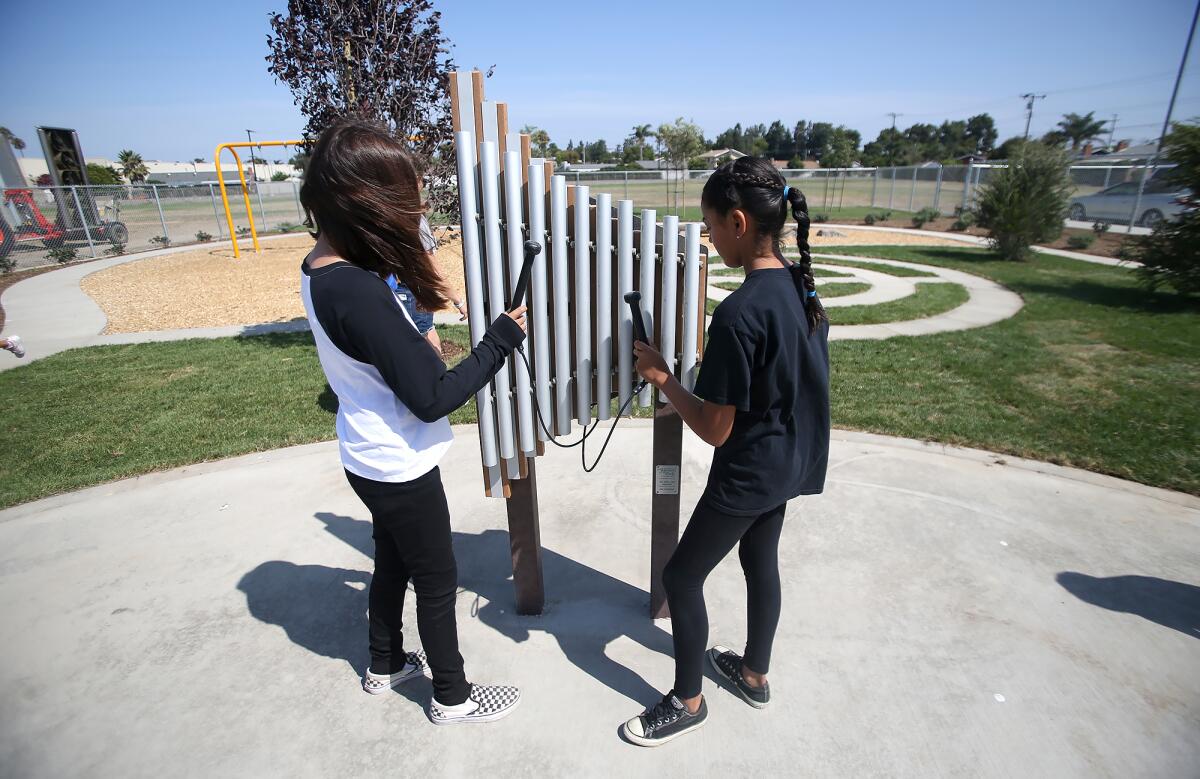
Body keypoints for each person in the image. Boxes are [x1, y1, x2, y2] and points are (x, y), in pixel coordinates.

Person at [299, 119, 526, 726]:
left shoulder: (320, 263)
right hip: (396, 461)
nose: (415, 207)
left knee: (392, 559)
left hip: (365, 452)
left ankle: (384, 662)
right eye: (404, 195)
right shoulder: (357, 292)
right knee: (436, 576)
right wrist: (500, 339)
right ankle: (451, 696)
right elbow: (433, 397)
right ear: (368, 200)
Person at [622, 157, 831, 746]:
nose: (709, 238)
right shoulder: (800, 284)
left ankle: (688, 701)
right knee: (760, 562)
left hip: (750, 471)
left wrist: (665, 380)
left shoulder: (738, 314)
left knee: (682, 577)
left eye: (711, 226)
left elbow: (715, 430)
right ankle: (753, 675)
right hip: (791, 461)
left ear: (739, 222)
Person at [385, 215, 467, 356]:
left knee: (425, 333)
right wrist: (459, 302)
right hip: (412, 290)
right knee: (426, 349)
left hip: (396, 287)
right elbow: (432, 269)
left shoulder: (384, 213)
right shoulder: (414, 219)